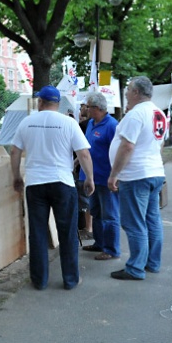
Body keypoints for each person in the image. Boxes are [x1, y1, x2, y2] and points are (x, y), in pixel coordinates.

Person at [10, 85, 95, 290]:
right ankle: (71, 279)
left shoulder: (27, 122)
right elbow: (83, 154)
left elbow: (14, 152)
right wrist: (89, 178)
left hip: (36, 184)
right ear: (57, 103)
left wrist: (16, 177)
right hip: (62, 183)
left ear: (40, 102)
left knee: (37, 233)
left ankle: (39, 280)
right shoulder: (68, 123)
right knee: (67, 233)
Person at [107, 76, 168, 280]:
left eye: (128, 91)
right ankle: (152, 262)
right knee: (152, 220)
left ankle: (135, 268)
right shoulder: (159, 113)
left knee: (134, 223)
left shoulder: (136, 115)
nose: (125, 94)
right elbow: (157, 145)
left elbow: (127, 146)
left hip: (136, 175)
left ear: (135, 93)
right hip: (154, 172)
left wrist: (114, 174)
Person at [79, 92, 120, 261]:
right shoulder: (90, 124)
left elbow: (118, 152)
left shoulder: (112, 126)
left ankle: (111, 249)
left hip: (106, 178)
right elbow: (88, 148)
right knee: (95, 211)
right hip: (91, 177)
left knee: (110, 214)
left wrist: (115, 175)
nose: (85, 109)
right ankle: (100, 243)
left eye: (88, 106)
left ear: (97, 108)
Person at [76, 103, 93, 241]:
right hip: (90, 169)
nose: (82, 108)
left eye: (85, 106)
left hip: (87, 169)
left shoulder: (84, 125)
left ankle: (89, 228)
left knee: (86, 200)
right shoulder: (91, 124)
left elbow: (83, 151)